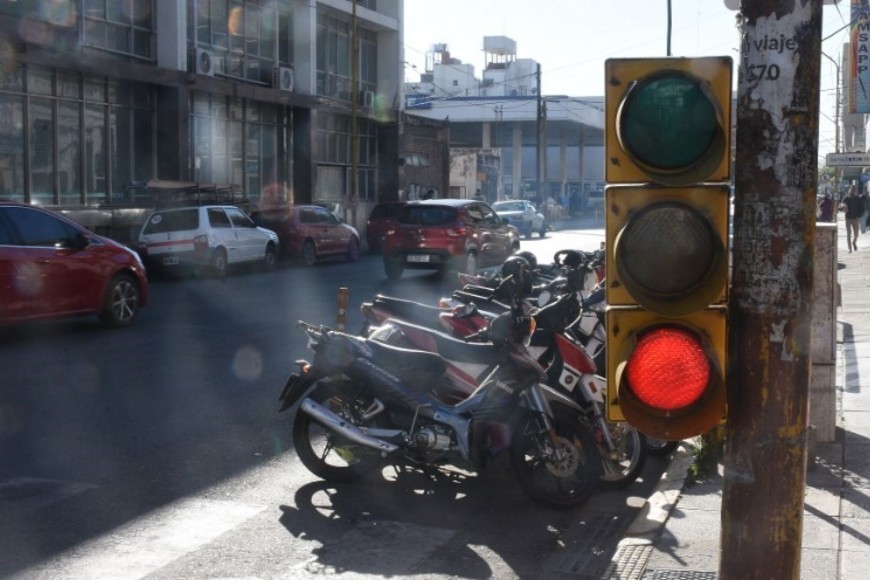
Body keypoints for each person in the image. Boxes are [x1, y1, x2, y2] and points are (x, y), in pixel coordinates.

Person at [842, 186, 866, 252]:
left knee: (856, 234)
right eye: (851, 190)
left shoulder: (858, 199)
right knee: (848, 234)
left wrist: (859, 216)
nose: (852, 191)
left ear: (855, 192)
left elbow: (863, 209)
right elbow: (841, 207)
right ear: (849, 190)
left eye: (854, 190)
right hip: (848, 219)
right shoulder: (846, 199)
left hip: (855, 218)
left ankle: (854, 242)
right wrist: (843, 208)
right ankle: (849, 249)